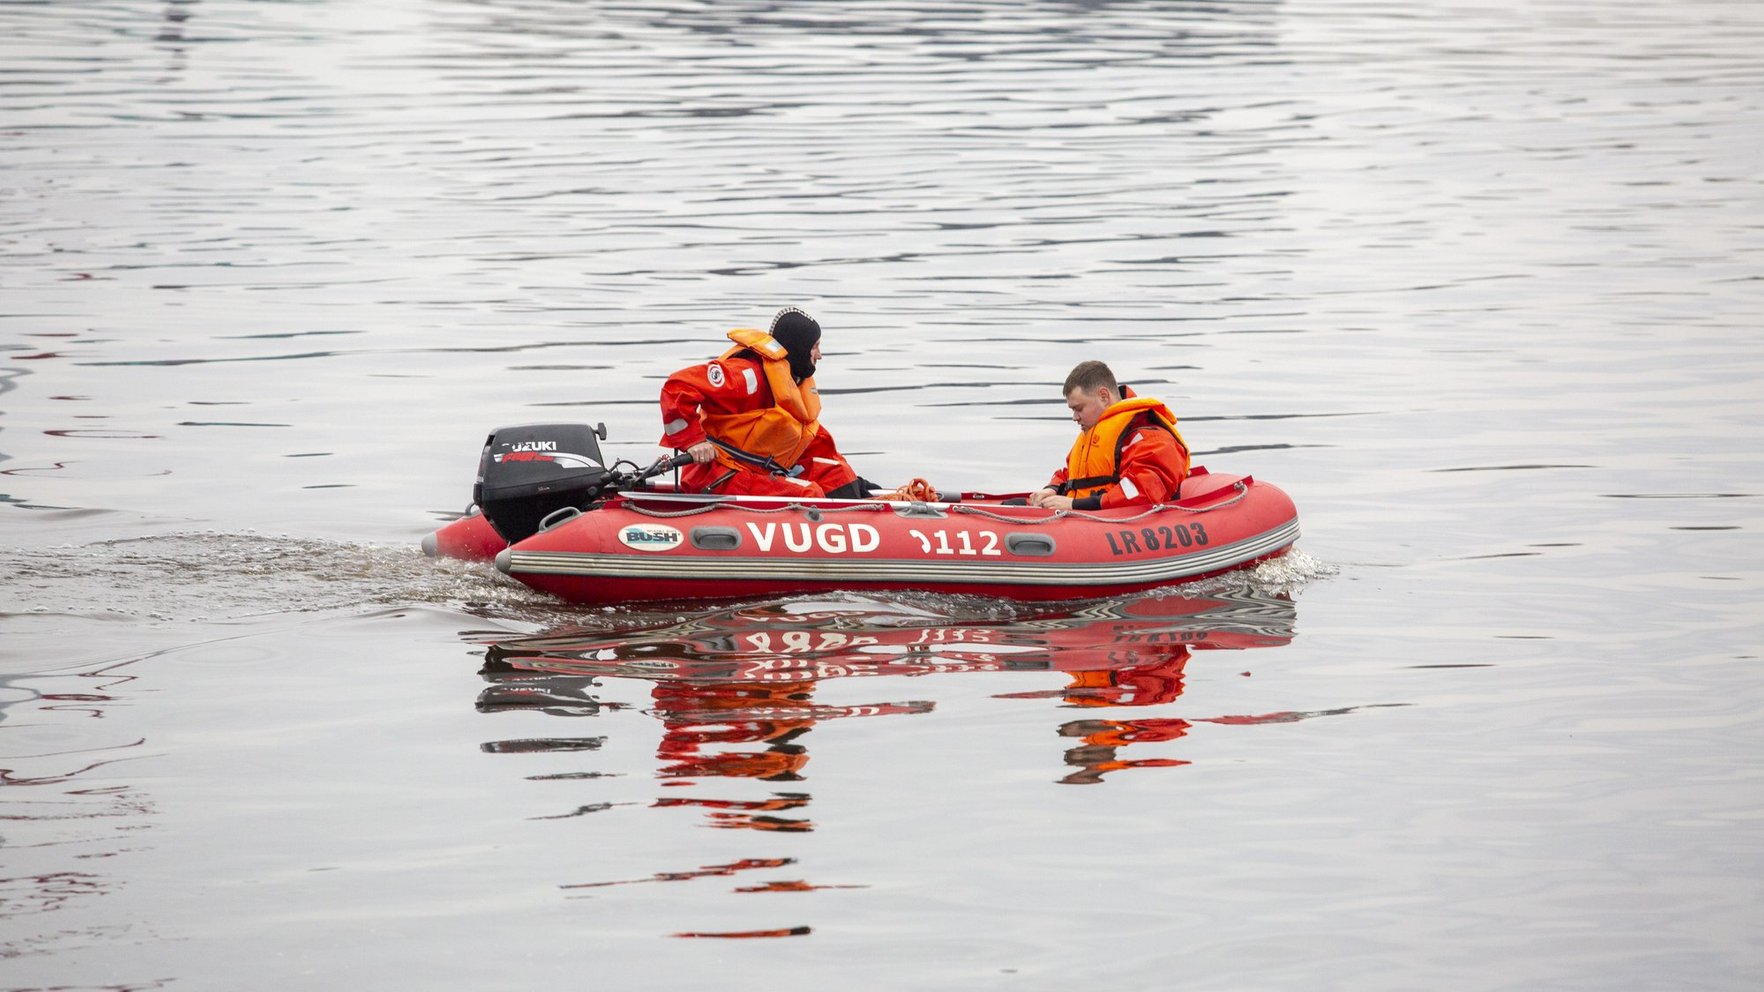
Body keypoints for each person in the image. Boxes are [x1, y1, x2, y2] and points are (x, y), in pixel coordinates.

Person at [660, 307, 880, 499]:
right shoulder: (746, 375)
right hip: (720, 473)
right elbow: (679, 386)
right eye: (815, 347)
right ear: (799, 347)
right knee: (808, 494)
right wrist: (692, 442)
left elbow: (810, 443)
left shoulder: (792, 381)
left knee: (839, 475)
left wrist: (859, 488)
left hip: (756, 471)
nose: (819, 355)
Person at [1029, 360, 1190, 510]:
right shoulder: (1092, 433)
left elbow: (1141, 492)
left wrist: (1074, 504)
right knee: (1013, 505)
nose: (1075, 417)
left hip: (1111, 521)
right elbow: (1070, 475)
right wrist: (1052, 490)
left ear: (1104, 396)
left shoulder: (1149, 436)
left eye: (1079, 408)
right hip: (1081, 516)